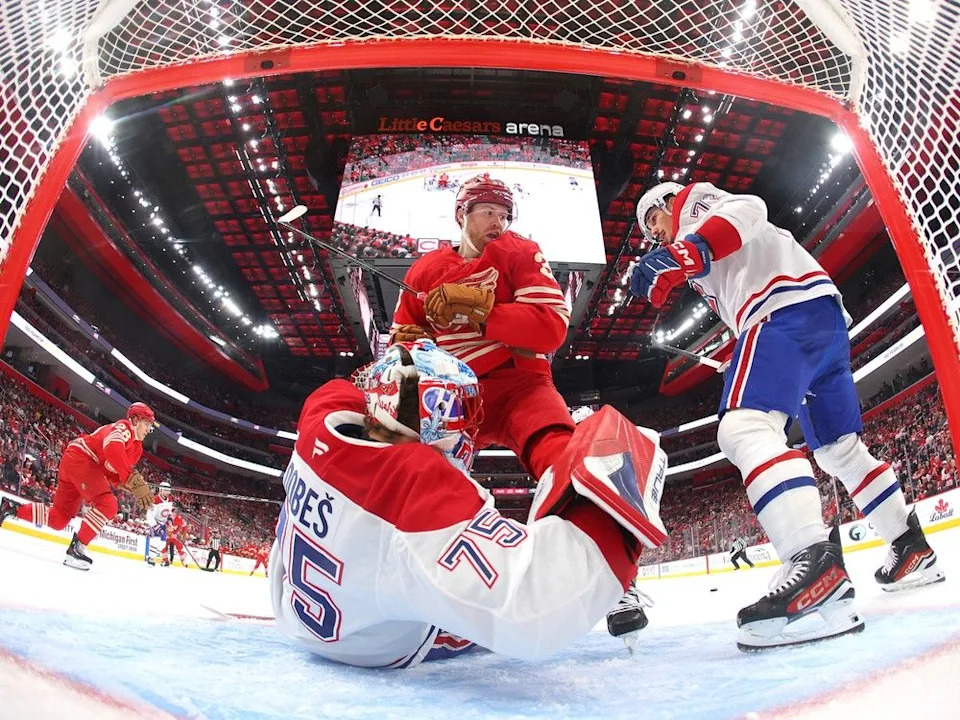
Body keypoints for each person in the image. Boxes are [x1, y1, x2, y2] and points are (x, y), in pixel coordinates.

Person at [630, 181, 945, 650]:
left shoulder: (694, 203)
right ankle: (909, 546)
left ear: (667, 202)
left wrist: (683, 253)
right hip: (820, 320)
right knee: (839, 451)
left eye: (652, 221)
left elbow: (748, 209)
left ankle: (812, 563)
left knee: (743, 426)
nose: (653, 234)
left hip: (783, 311)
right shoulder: (698, 248)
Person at [270, 340, 668, 668]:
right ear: (433, 419)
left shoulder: (322, 414)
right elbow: (538, 608)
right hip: (372, 646)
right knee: (479, 617)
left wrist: (406, 366)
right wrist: (614, 478)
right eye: (462, 410)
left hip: (301, 606)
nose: (471, 425)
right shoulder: (416, 489)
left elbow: (344, 390)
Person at [389, 174, 651, 642]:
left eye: (505, 213)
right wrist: (408, 351)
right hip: (452, 397)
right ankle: (421, 591)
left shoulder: (520, 250)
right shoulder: (424, 271)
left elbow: (550, 327)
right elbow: (403, 345)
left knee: (564, 457)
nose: (499, 221)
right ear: (462, 215)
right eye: (488, 211)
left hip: (520, 384)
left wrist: (481, 312)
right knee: (417, 475)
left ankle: (617, 582)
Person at [0, 402, 156, 570]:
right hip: (82, 459)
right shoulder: (124, 427)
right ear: (135, 420)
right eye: (146, 424)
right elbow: (112, 449)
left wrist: (121, 482)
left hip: (76, 461)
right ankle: (76, 548)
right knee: (108, 505)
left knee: (59, 519)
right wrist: (131, 478)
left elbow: (109, 467)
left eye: (150, 426)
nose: (148, 429)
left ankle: (11, 508)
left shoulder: (136, 449)